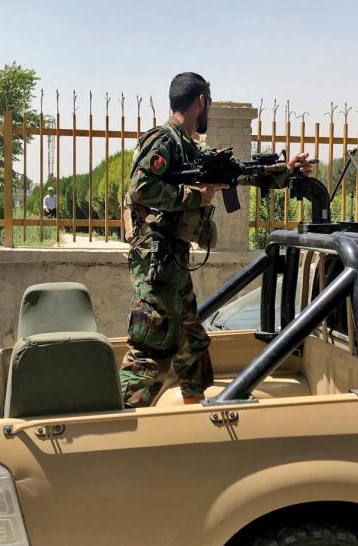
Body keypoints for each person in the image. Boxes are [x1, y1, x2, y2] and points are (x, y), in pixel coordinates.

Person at [118, 72, 312, 407]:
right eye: (207, 102)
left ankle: (197, 419)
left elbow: (239, 173)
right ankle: (119, 421)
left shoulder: (189, 147)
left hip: (172, 262)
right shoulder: (163, 140)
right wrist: (195, 198)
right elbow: (141, 187)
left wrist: (285, 172)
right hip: (157, 264)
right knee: (150, 349)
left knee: (191, 345)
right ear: (201, 101)